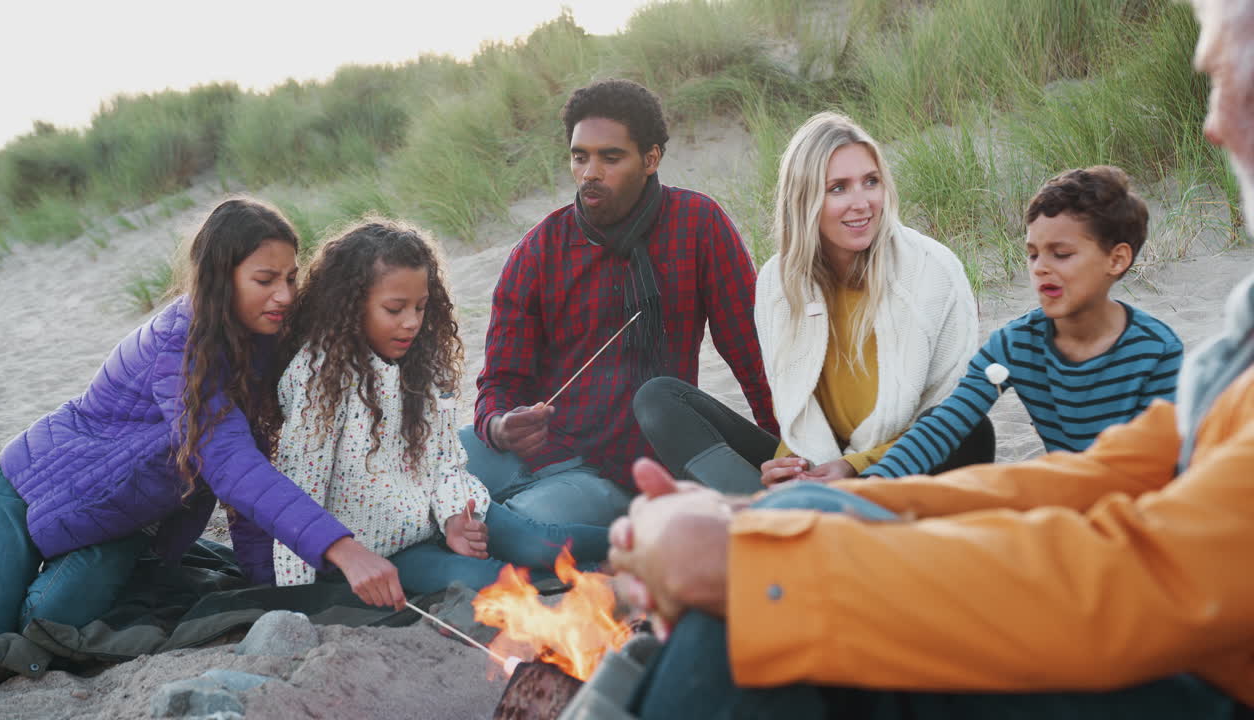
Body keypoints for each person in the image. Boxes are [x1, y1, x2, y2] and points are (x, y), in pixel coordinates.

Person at [606, 0, 1254, 714]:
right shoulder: (1216, 362)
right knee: (756, 533)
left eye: (1239, 87)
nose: (1214, 124)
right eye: (836, 187)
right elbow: (1088, 475)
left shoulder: (1149, 347)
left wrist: (770, 562)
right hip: (859, 471)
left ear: (1117, 260)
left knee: (749, 632)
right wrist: (799, 507)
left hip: (1194, 673)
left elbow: (1139, 571)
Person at [0, 198, 405, 640]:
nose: (285, 295)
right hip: (32, 485)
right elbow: (233, 466)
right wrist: (343, 549)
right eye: (265, 280)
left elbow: (248, 477)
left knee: (45, 619)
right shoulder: (180, 346)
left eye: (291, 278)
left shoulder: (261, 341)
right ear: (220, 279)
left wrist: (271, 591)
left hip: (119, 521)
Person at [465, 79, 776, 526]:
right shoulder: (539, 250)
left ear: (650, 159)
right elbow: (499, 380)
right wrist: (499, 425)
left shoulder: (697, 224)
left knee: (523, 525)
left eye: (610, 158)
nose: (590, 173)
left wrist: (789, 454)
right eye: (580, 157)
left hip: (618, 473)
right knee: (433, 473)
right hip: (538, 448)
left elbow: (754, 356)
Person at [635, 111, 988, 493]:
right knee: (660, 399)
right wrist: (789, 466)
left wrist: (854, 467)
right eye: (838, 188)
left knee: (972, 429)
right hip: (822, 471)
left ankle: (799, 513)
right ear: (804, 199)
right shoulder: (779, 283)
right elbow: (797, 411)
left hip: (901, 470)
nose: (862, 203)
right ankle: (771, 507)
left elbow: (953, 410)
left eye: (871, 182)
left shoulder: (931, 272)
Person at [270, 219, 609, 593]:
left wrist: (453, 517)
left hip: (448, 511)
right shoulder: (320, 380)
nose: (412, 323)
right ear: (349, 305)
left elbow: (446, 460)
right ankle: (598, 578)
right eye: (395, 309)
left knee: (541, 545)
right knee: (487, 582)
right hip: (387, 549)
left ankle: (639, 543)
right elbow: (298, 496)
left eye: (421, 307)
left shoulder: (421, 362)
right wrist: (298, 596)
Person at [864, 165, 1183, 479]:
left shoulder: (1156, 350)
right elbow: (947, 423)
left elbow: (1161, 465)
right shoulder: (1015, 343)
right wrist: (873, 481)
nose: (1040, 267)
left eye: (1061, 254)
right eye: (1033, 254)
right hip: (1066, 498)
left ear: (1116, 259)